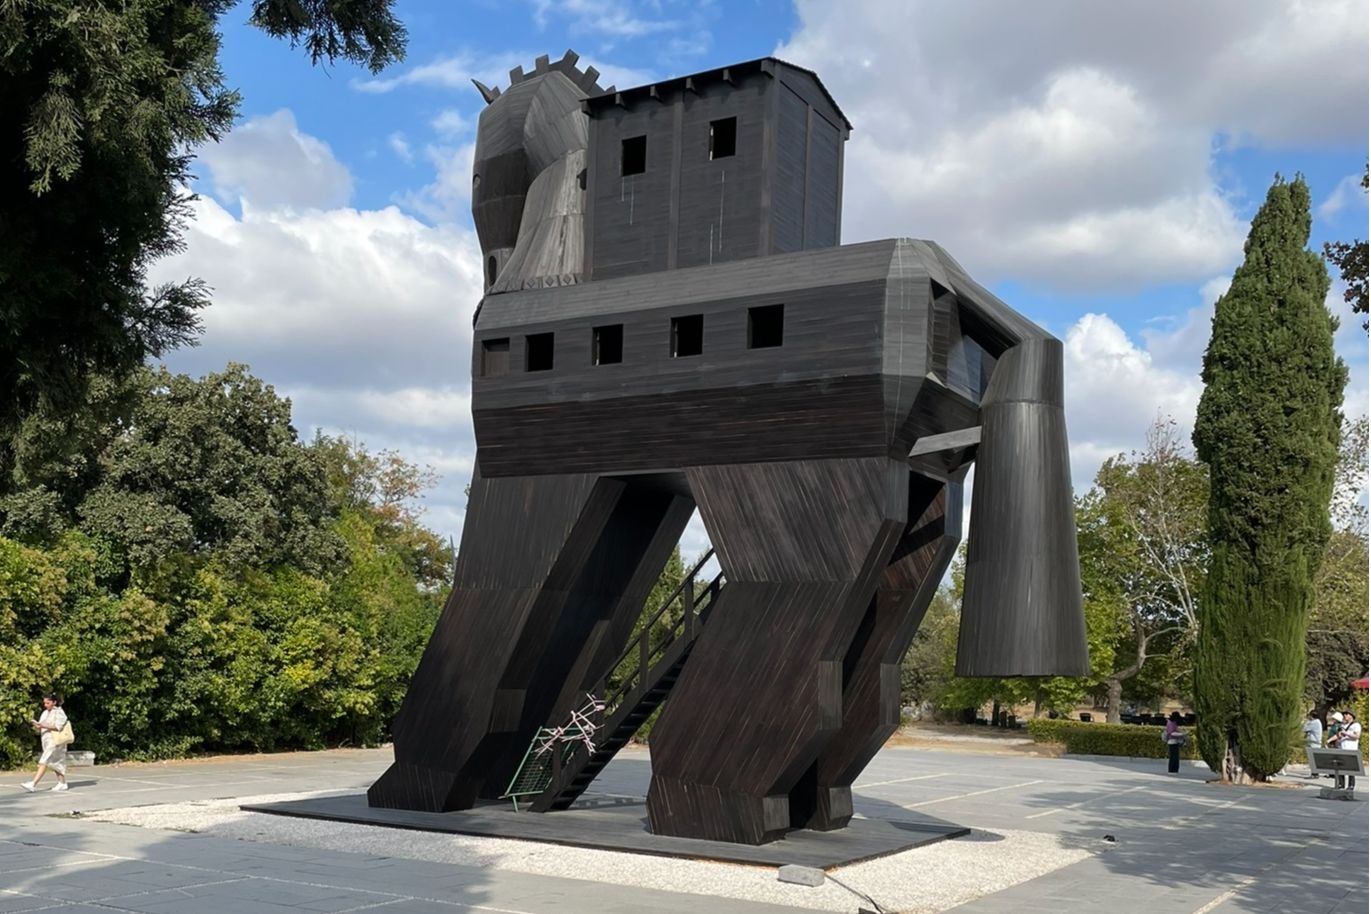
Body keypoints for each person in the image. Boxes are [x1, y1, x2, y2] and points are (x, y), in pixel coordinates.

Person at [20, 693, 69, 792]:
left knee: (44, 760)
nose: (45, 705)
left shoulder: (59, 712)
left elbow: (58, 727)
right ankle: (62, 783)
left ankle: (33, 783)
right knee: (55, 762)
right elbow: (41, 725)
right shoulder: (45, 713)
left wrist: (43, 726)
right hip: (46, 740)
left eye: (48, 703)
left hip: (55, 741)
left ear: (54, 702)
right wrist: (37, 726)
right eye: (44, 703)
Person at [1337, 711, 1361, 790]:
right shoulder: (1343, 725)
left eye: (1346, 714)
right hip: (1342, 748)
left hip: (1351, 749)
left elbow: (1357, 736)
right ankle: (1341, 784)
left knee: (1351, 768)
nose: (1344, 716)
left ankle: (1351, 785)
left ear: (1351, 715)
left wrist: (1346, 733)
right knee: (1340, 767)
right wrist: (1339, 735)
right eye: (1344, 714)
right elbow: (1339, 736)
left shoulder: (1356, 725)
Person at [1302, 710, 1324, 777]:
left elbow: (1304, 729)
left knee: (1313, 759)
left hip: (1314, 743)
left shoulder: (1314, 722)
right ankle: (1315, 773)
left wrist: (1306, 722)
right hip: (1315, 743)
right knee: (1314, 759)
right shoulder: (1317, 722)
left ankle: (1314, 773)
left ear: (1312, 716)